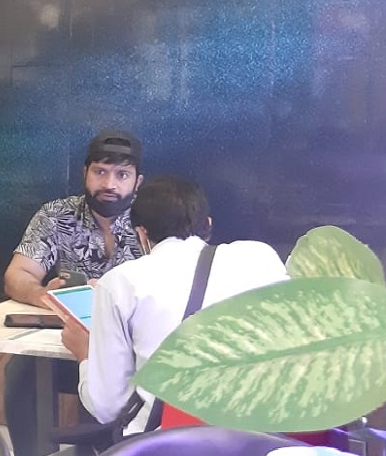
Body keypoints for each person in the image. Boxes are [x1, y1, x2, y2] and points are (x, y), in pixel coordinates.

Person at [60, 175, 288, 436]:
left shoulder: (119, 283)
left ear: (142, 234)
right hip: (261, 441)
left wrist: (84, 354)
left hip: (165, 443)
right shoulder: (260, 257)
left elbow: (107, 407)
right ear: (208, 224)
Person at [3, 129, 146, 456]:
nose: (109, 184)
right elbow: (16, 275)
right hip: (66, 342)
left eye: (122, 174)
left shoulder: (152, 219)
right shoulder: (56, 215)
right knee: (22, 371)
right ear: (85, 173)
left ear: (138, 181)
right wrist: (44, 295)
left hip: (131, 349)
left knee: (104, 377)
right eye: (100, 172)